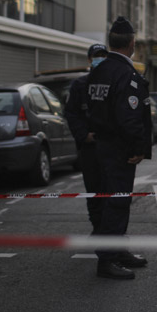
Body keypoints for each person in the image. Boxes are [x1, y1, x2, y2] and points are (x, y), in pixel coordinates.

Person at [86, 17, 152, 280]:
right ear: (132, 43)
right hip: (118, 148)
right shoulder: (125, 74)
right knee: (116, 203)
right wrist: (138, 147)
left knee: (111, 201)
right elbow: (129, 117)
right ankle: (107, 260)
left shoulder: (99, 70)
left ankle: (117, 250)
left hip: (102, 146)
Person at [64, 43, 108, 233]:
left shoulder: (113, 82)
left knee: (113, 191)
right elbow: (71, 114)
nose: (100, 59)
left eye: (103, 55)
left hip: (110, 147)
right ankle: (98, 227)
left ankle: (111, 230)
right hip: (89, 148)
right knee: (94, 190)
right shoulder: (80, 85)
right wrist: (84, 135)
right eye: (97, 56)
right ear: (90, 59)